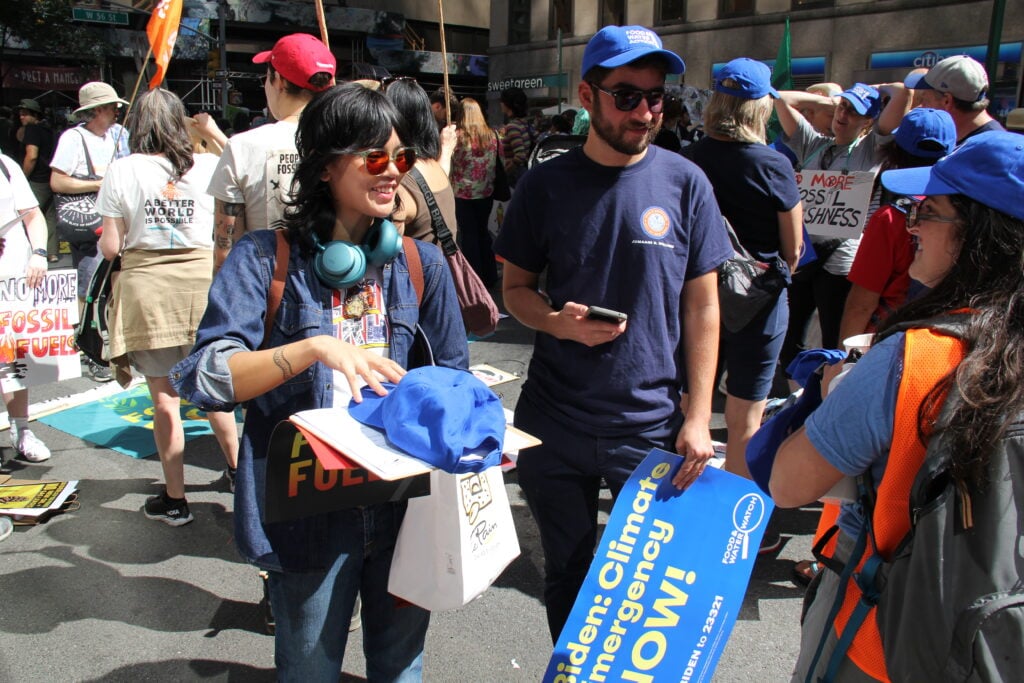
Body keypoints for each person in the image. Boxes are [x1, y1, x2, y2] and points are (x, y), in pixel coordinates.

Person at [171, 82, 468, 679]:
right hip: (307, 513)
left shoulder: (420, 264)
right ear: (328, 165)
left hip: (404, 506)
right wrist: (309, 349)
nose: (394, 173)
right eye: (376, 158)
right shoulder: (263, 259)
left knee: (400, 667)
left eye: (402, 158)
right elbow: (205, 376)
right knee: (308, 670)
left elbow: (453, 379)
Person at [493, 24, 733, 642]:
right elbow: (513, 290)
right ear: (587, 95)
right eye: (626, 95)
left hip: (649, 424)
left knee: (646, 588)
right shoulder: (544, 185)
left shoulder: (686, 182)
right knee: (568, 574)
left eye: (657, 97)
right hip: (555, 419)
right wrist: (554, 322)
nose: (645, 111)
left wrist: (699, 415)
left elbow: (703, 306)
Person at [770, 131, 1024, 681]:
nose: (911, 226)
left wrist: (836, 388)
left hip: (885, 637)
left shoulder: (918, 357)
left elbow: (789, 484)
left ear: (979, 235)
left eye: (927, 211)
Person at [96, 88, 239, 525]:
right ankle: (238, 474)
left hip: (149, 287)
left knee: (165, 401)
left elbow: (110, 247)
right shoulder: (209, 164)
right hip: (203, 284)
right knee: (215, 388)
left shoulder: (122, 169)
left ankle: (175, 500)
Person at [683, 58, 802, 482]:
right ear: (760, 108)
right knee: (745, 415)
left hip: (696, 294)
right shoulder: (772, 164)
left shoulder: (688, 158)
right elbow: (794, 247)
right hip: (761, 300)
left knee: (689, 400)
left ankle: (677, 496)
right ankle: (734, 515)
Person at [774, 81, 907, 367]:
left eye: (853, 111)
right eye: (842, 107)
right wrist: (828, 103)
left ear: (868, 122)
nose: (843, 115)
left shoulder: (871, 149)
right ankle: (794, 390)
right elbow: (780, 98)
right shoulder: (812, 143)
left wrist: (884, 88)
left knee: (833, 332)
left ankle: (828, 388)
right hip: (805, 254)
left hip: (841, 257)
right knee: (791, 333)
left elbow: (902, 93)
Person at [208, 33, 335, 270]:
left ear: (279, 81)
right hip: (335, 282)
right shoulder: (344, 142)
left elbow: (226, 253)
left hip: (266, 287)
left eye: (266, 77)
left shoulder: (242, 147)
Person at [50, 81, 131, 382]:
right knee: (90, 288)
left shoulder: (121, 136)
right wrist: (99, 183)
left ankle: (117, 348)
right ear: (96, 110)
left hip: (120, 219)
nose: (117, 111)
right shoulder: (73, 138)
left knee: (117, 284)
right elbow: (58, 182)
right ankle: (92, 348)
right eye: (112, 107)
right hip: (90, 223)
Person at [0, 152, 52, 463]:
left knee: (15, 359)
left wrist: (40, 253)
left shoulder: (6, 165)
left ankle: (21, 430)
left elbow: (32, 215)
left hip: (13, 283)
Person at [385, 78, 459, 246]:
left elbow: (387, 255)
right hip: (445, 270)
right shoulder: (434, 167)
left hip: (418, 272)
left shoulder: (401, 179)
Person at [450, 96, 501, 287]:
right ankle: (489, 275)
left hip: (462, 192)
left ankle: (473, 279)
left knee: (468, 235)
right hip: (486, 191)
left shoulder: (457, 136)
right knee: (483, 233)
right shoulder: (492, 135)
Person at [915, 55, 1003, 143]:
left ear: (947, 101)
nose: (921, 107)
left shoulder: (990, 148)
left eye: (925, 100)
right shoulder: (981, 141)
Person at [16, 99, 56, 262]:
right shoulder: (48, 130)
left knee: (28, 216)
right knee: (49, 216)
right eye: (20, 114)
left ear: (34, 115)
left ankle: (33, 252)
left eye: (25, 114)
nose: (21, 117)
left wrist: (23, 177)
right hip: (50, 178)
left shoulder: (32, 130)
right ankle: (52, 252)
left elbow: (31, 155)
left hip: (36, 179)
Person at [499, 86, 535, 187]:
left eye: (502, 101)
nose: (500, 104)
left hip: (514, 178)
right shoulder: (525, 123)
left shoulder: (512, 126)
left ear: (508, 104)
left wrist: (504, 173)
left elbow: (520, 156)